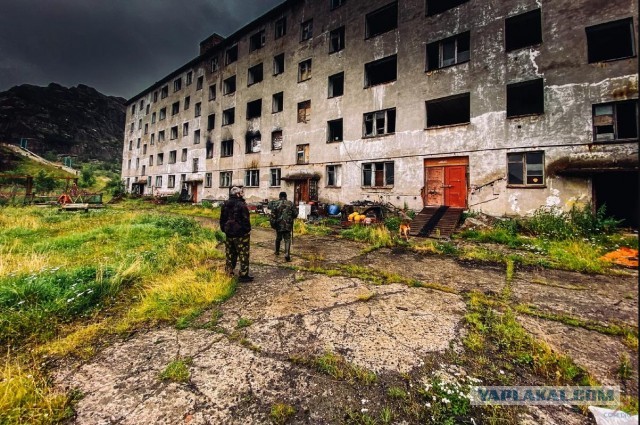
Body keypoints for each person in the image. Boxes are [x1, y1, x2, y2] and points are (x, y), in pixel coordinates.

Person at [220, 186, 253, 282]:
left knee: (230, 253)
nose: (242, 194)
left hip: (229, 233)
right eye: (241, 193)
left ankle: (229, 272)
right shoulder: (241, 205)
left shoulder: (225, 204)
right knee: (243, 254)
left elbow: (222, 219)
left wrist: (224, 229)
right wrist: (247, 230)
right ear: (237, 194)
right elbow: (246, 219)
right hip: (240, 234)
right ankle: (243, 275)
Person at [270, 191, 296, 261]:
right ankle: (287, 253)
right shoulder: (290, 203)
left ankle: (277, 251)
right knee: (287, 239)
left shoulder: (275, 203)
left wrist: (273, 224)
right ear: (286, 196)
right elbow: (295, 214)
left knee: (278, 238)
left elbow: (272, 215)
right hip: (288, 224)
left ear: (279, 197)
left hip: (278, 225)